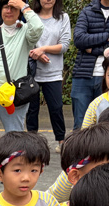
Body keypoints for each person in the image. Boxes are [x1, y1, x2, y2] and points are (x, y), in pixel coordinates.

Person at [0, 0, 44, 185]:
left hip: (14, 97)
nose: (9, 11)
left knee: (15, 136)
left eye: (13, 7)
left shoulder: (25, 33)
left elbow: (38, 27)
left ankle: (12, 169)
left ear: (19, 11)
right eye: (6, 7)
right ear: (0, 10)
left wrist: (23, 5)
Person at [70, 0, 109, 129]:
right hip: (83, 73)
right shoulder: (87, 11)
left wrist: (93, 50)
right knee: (80, 125)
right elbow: (78, 39)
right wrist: (106, 36)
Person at [27, 0, 71, 142]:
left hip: (53, 72)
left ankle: (61, 141)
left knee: (56, 108)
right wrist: (36, 54)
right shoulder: (31, 16)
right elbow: (24, 41)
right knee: (31, 110)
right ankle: (32, 141)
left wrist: (43, 49)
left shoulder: (63, 17)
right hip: (32, 73)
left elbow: (64, 45)